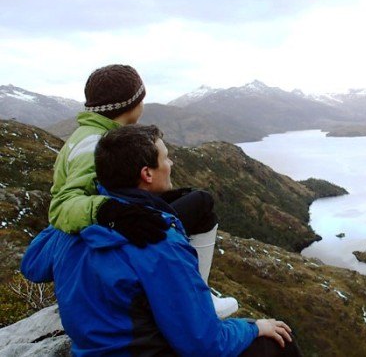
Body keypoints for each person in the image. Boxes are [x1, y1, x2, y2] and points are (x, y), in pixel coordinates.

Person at [22, 124, 302, 356]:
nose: (172, 163)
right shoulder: (157, 239)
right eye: (166, 158)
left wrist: (83, 206)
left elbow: (32, 265)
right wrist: (254, 327)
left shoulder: (74, 224)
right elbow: (204, 345)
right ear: (147, 174)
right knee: (279, 340)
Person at [47, 64, 238, 317]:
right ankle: (195, 300)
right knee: (202, 205)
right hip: (103, 236)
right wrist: (112, 212)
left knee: (188, 198)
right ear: (134, 103)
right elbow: (61, 208)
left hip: (104, 230)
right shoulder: (93, 144)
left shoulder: (89, 134)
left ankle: (191, 291)